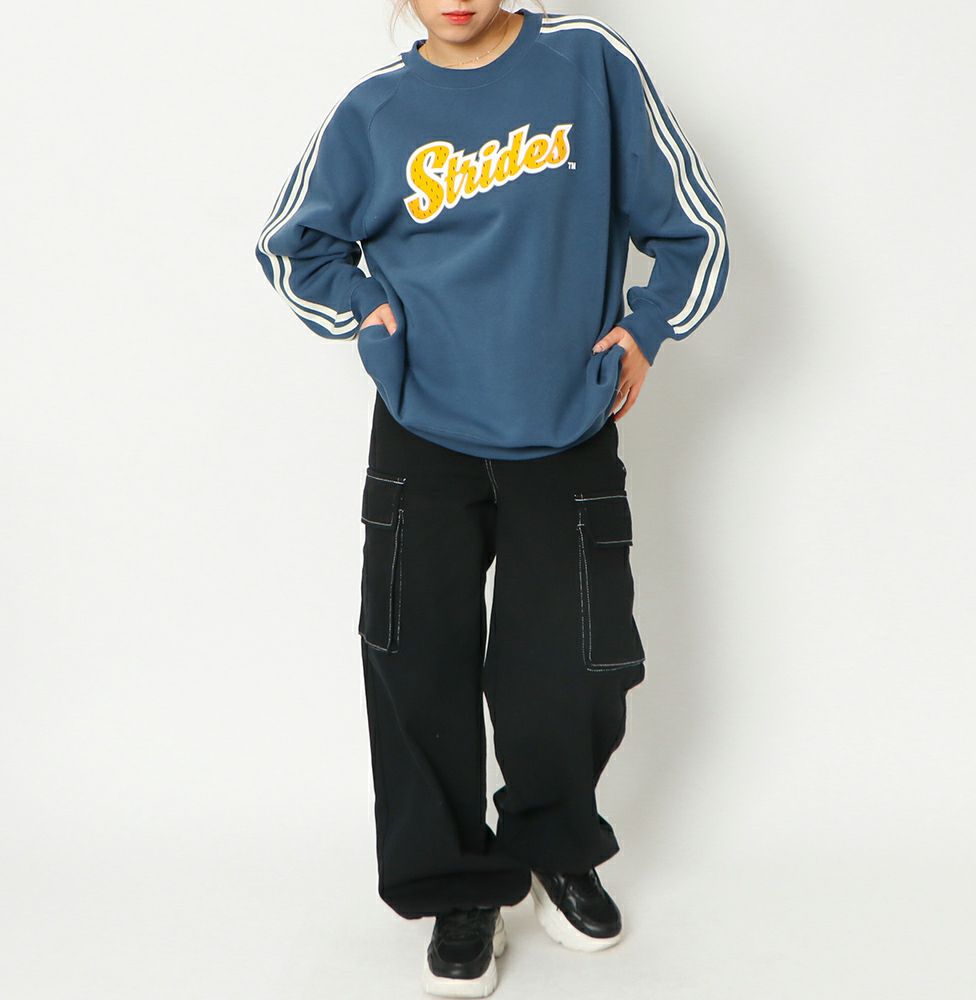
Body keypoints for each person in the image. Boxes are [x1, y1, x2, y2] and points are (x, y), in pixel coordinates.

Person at [254, 2, 729, 995]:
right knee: (414, 658)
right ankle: (456, 886)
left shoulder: (588, 63)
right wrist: (366, 311)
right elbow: (292, 245)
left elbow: (693, 229)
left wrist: (646, 328)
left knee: (574, 663)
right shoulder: (376, 109)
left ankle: (555, 846)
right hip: (422, 432)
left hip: (566, 424)